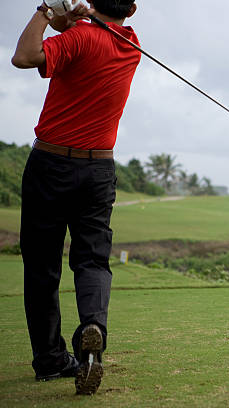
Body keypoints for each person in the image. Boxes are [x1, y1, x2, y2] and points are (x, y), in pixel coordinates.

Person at [12, 0, 140, 395]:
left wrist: (48, 12)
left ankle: (50, 360)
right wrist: (74, 23)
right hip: (99, 170)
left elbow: (23, 56)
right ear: (131, 11)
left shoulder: (79, 37)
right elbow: (97, 32)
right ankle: (92, 328)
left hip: (50, 163)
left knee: (42, 267)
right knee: (92, 260)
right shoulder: (132, 45)